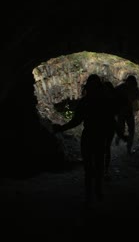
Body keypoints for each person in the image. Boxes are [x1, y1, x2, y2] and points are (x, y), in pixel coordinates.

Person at [52, 74, 124, 205]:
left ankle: (89, 194)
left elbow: (76, 121)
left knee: (89, 168)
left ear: (88, 87)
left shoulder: (85, 102)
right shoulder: (105, 102)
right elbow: (112, 121)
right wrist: (121, 134)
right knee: (98, 165)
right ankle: (97, 192)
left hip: (88, 136)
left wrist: (61, 128)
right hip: (99, 137)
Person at [114, 75, 139, 155]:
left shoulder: (133, 89)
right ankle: (120, 137)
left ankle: (128, 148)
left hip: (127, 112)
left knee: (131, 130)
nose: (131, 86)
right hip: (121, 111)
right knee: (123, 129)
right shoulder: (122, 88)